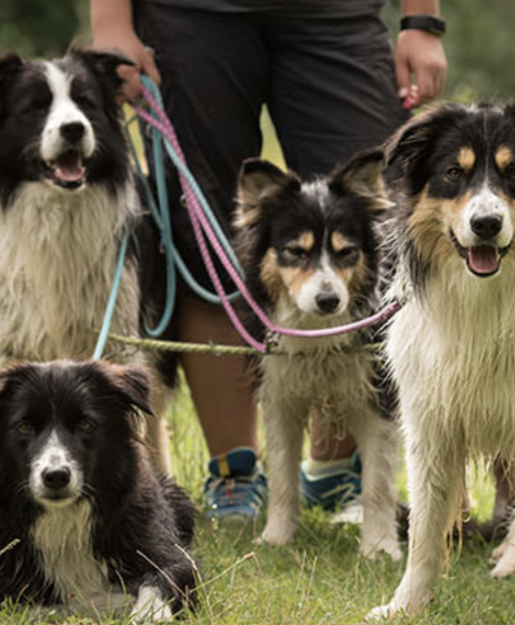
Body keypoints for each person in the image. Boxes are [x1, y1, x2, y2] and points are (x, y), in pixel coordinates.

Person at [90, 0, 447, 519]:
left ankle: (335, 469)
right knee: (205, 237)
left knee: (369, 225)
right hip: (189, 13)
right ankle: (234, 473)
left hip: (337, 15)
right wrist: (111, 24)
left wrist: (421, 21)